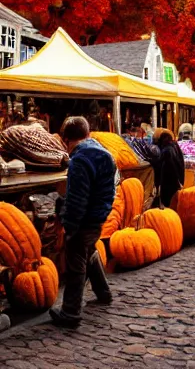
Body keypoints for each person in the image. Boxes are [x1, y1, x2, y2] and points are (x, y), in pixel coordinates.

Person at [50, 116, 116, 327]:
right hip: (98, 216)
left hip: (84, 219)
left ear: (66, 139)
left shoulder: (80, 160)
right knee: (89, 251)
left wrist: (70, 226)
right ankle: (103, 291)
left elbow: (78, 198)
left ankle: (71, 311)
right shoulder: (102, 153)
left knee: (76, 261)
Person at [155, 131, 185, 208]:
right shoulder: (175, 146)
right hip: (177, 181)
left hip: (170, 183)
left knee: (170, 204)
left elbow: (167, 169)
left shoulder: (166, 151)